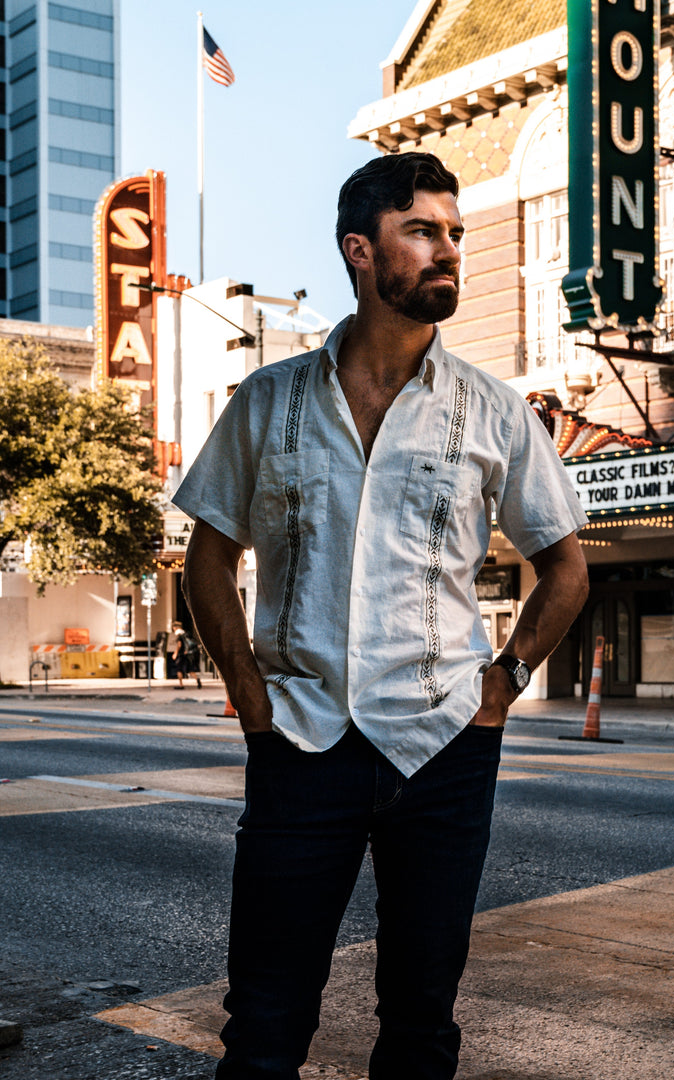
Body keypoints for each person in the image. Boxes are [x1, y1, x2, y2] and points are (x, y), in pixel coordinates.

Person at [173, 151, 589, 1080]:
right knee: (266, 1018)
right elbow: (209, 557)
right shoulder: (267, 400)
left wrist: (502, 685)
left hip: (443, 746)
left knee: (421, 1019)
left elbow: (564, 568)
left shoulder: (493, 411)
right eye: (422, 232)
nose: (448, 251)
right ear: (361, 251)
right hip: (300, 743)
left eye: (454, 233)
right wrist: (248, 695)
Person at [170, 621, 201, 689]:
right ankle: (197, 679)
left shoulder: (179, 635)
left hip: (182, 655)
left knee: (179, 669)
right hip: (188, 654)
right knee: (190, 670)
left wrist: (175, 653)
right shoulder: (186, 633)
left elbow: (179, 645)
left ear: (175, 627)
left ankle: (181, 685)